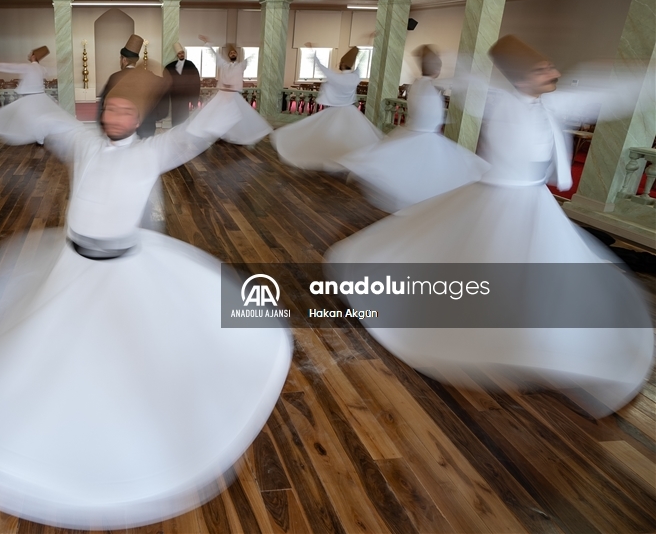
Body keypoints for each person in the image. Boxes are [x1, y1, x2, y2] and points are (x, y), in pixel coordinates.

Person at [0, 35, 292, 529]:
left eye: (126, 112)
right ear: (102, 111)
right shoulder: (83, 142)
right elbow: (49, 119)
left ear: (138, 119)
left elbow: (194, 135)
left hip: (122, 272)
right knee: (54, 347)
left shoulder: (152, 152)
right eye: (111, 109)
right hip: (73, 269)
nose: (116, 118)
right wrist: (29, 85)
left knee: (121, 352)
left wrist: (228, 88)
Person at [325, 35, 653, 416]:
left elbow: (609, 94)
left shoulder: (555, 104)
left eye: (550, 67)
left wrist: (645, 78)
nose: (555, 73)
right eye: (543, 69)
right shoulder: (499, 100)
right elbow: (467, 78)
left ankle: (543, 342)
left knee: (545, 273)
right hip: (496, 199)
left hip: (535, 205)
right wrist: (439, 59)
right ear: (521, 78)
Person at [336, 45, 490, 212]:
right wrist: (473, 76)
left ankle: (412, 204)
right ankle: (417, 205)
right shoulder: (430, 85)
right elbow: (454, 83)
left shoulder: (416, 84)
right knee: (431, 174)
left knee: (411, 172)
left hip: (414, 133)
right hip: (425, 137)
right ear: (437, 69)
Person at [271, 45, 382, 170]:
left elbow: (321, 67)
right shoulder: (355, 77)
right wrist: (368, 50)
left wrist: (312, 52)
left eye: (340, 62)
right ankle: (347, 158)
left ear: (343, 63)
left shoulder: (336, 77)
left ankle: (335, 158)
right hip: (351, 111)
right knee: (351, 137)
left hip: (335, 111)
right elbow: (361, 64)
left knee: (329, 135)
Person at [0, 46, 69, 146]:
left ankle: (37, 138)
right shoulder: (42, 69)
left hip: (31, 99)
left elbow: (12, 67)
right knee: (38, 119)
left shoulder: (29, 67)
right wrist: (63, 64)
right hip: (41, 98)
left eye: (30, 53)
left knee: (30, 119)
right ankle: (39, 138)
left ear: (34, 56)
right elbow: (53, 70)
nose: (29, 55)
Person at [198, 35, 272, 145]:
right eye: (231, 53)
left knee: (235, 116)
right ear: (228, 56)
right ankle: (219, 135)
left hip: (233, 95)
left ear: (237, 55)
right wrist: (207, 44)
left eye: (234, 53)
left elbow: (254, 56)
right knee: (218, 115)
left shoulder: (241, 65)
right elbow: (215, 55)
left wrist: (264, 46)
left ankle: (233, 136)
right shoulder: (224, 65)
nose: (232, 54)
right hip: (222, 94)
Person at [97, 34, 167, 138]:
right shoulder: (151, 77)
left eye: (121, 59)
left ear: (124, 60)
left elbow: (103, 105)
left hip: (123, 130)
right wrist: (154, 117)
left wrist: (103, 124)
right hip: (147, 129)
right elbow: (163, 93)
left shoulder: (114, 78)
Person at [164, 42, 200, 126]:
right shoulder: (170, 66)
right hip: (175, 96)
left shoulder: (190, 65)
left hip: (185, 96)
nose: (181, 55)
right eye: (179, 53)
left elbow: (196, 82)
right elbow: (165, 79)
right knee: (175, 115)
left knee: (184, 116)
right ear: (177, 55)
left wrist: (194, 99)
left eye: (182, 53)